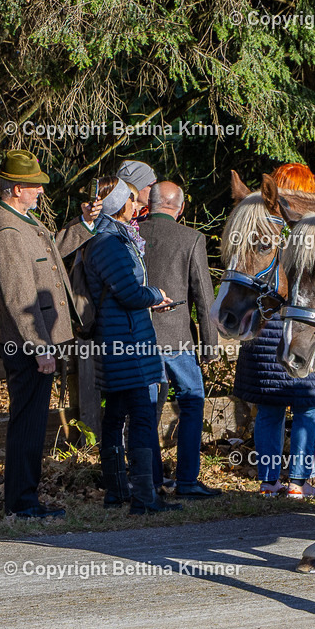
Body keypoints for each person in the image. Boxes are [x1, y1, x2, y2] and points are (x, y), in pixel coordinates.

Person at [0, 150, 74, 518]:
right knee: (28, 424)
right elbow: (21, 299)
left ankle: (25, 499)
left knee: (30, 421)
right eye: (35, 187)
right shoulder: (8, 230)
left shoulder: (18, 222)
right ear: (17, 189)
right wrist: (41, 348)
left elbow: (47, 257)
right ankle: (22, 503)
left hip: (29, 343)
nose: (40, 193)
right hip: (27, 345)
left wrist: (81, 224)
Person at [83, 177, 182, 513]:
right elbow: (128, 293)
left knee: (115, 415)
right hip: (127, 341)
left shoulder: (110, 238)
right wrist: (155, 295)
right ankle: (142, 497)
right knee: (139, 415)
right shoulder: (110, 242)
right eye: (130, 198)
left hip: (121, 338)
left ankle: (118, 492)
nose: (136, 204)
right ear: (118, 204)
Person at [233, 163, 315, 497]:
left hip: (262, 332)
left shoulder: (261, 230)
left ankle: (269, 481)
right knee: (307, 407)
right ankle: (299, 482)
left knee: (269, 411)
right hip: (295, 334)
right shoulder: (306, 235)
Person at [137, 182, 222, 498]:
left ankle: (152, 481)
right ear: (181, 207)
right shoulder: (191, 239)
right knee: (192, 403)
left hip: (141, 338)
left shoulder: (133, 235)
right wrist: (210, 344)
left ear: (152, 203)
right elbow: (203, 294)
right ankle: (186, 480)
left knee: (147, 411)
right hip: (179, 341)